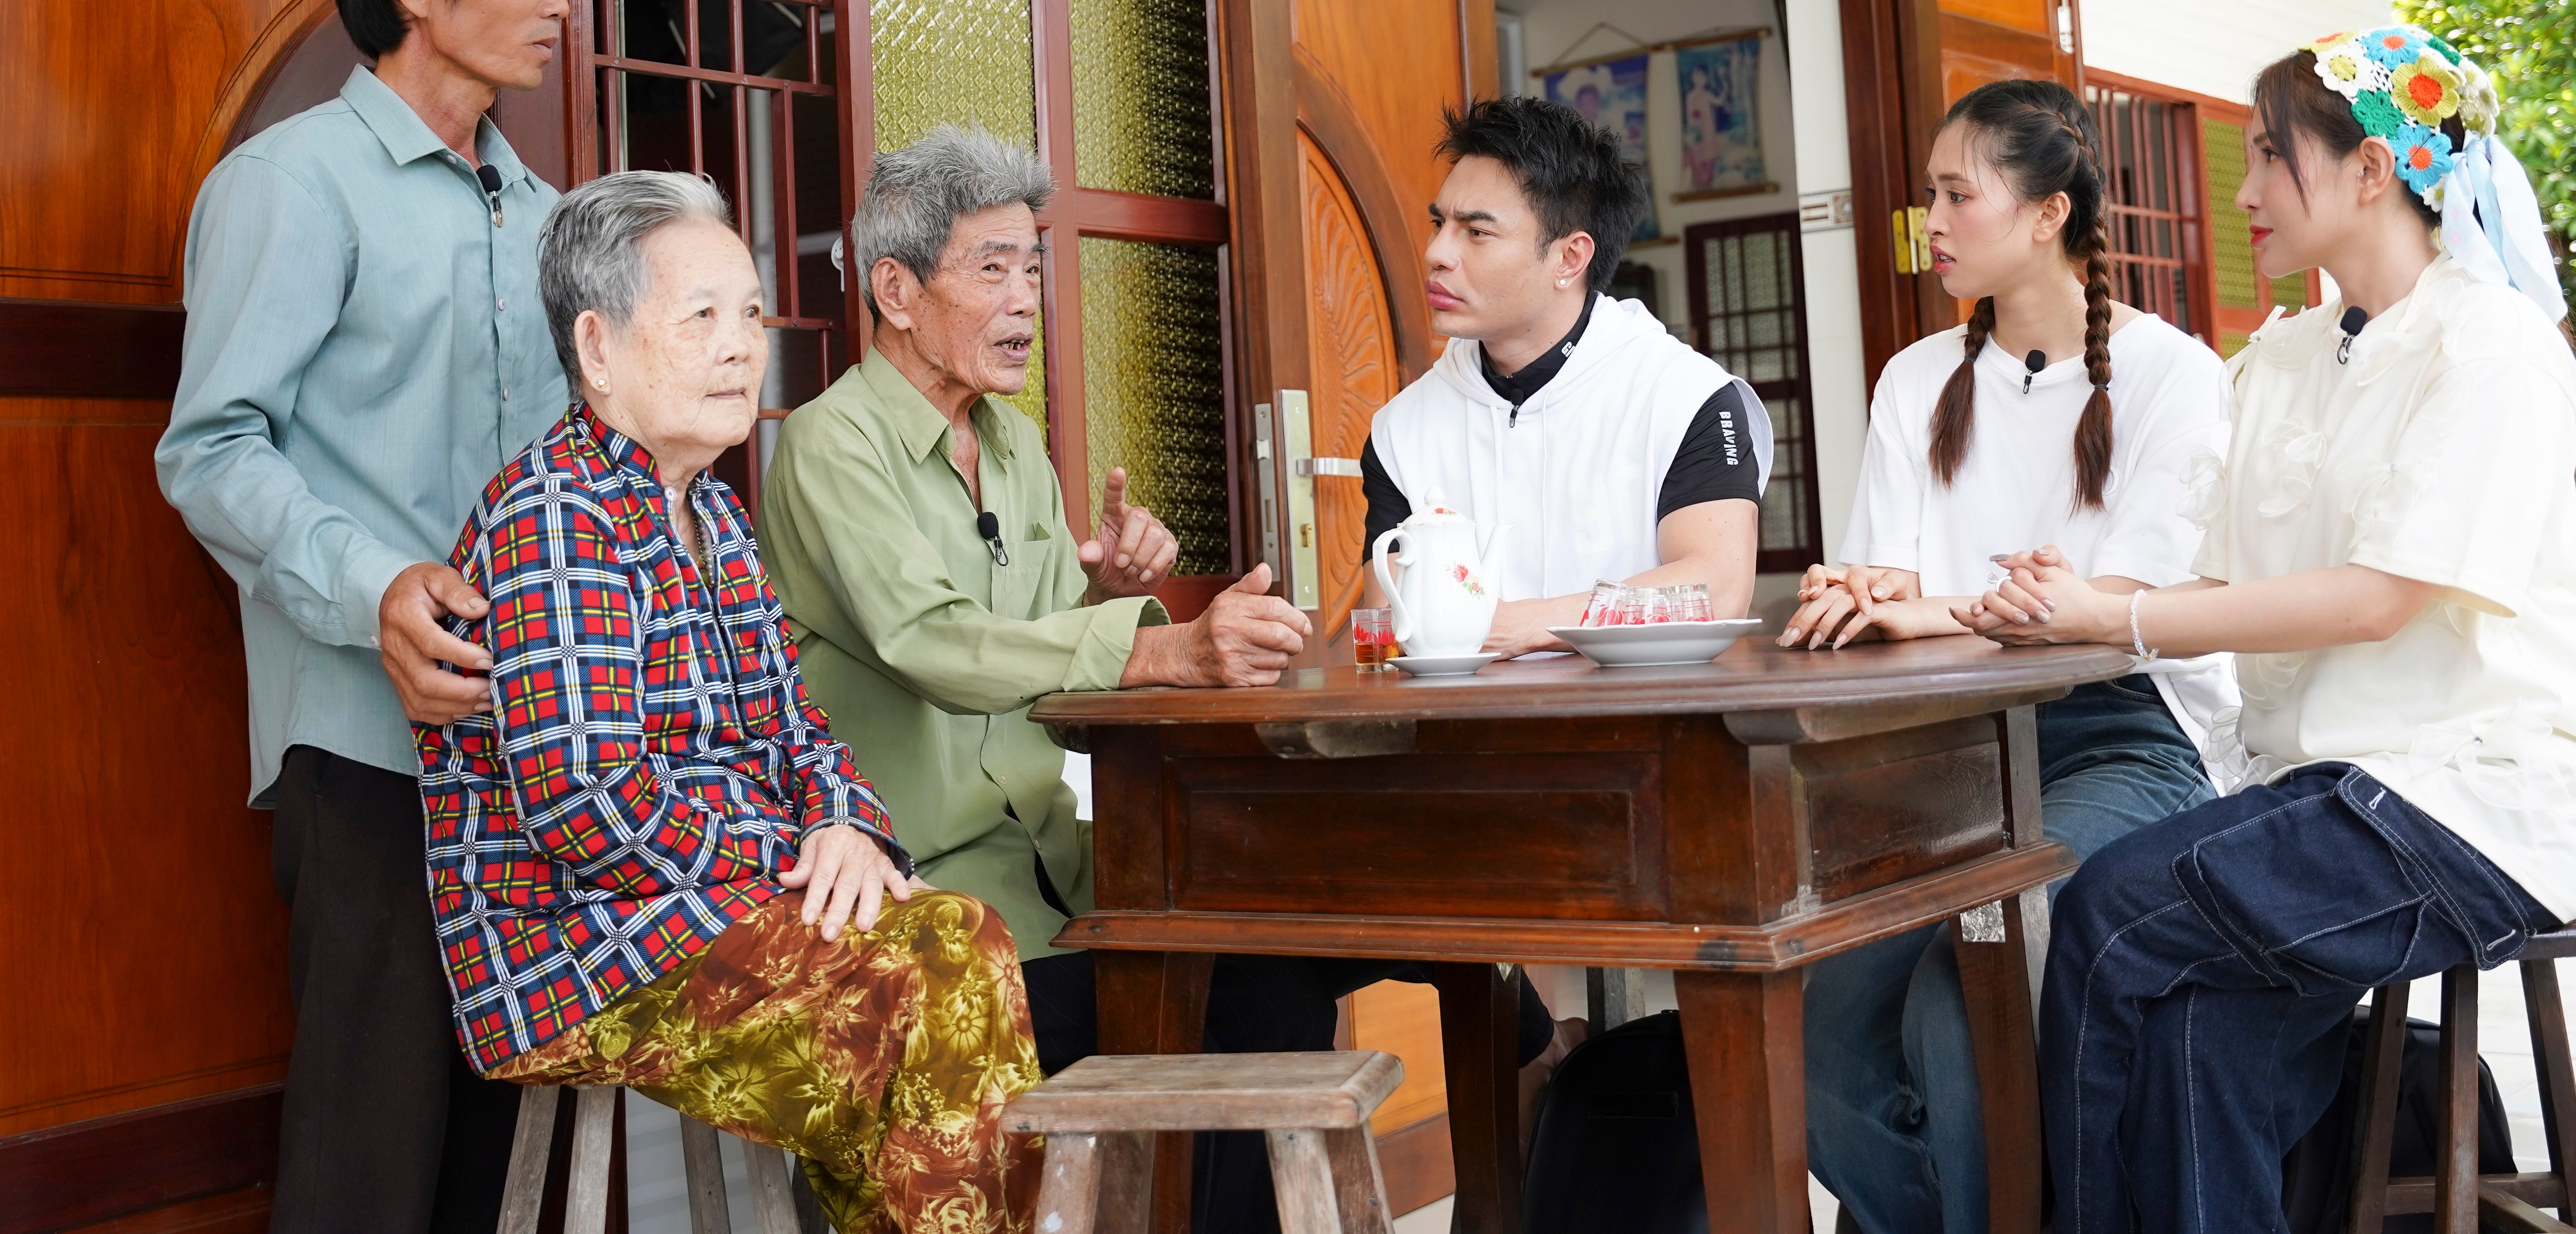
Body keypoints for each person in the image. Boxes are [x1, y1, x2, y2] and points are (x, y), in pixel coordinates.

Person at [756, 126, 1559, 1234]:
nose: (1026, 297)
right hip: (946, 912)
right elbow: (934, 644)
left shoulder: (1016, 444)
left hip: (1082, 885)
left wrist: (1103, 593)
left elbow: (1039, 665)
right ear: (896, 289)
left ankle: (1492, 1060)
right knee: (1238, 1004)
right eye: (991, 266)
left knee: (1296, 962)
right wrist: (1160, 644)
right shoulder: (827, 445)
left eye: (1032, 264)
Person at [1965, 27, 2576, 1233]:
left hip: (2470, 796)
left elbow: (2378, 598)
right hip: (2317, 789)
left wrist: (2130, 612)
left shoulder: (2492, 347)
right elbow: (2207, 577)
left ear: (2372, 170)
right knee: (2191, 1030)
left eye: (2272, 153)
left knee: (2107, 906)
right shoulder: (2282, 358)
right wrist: (2063, 595)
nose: (2247, 185)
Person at [417, 170, 1039, 1232]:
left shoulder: (713, 514)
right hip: (576, 947)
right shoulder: (557, 516)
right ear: (598, 349)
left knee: (959, 948)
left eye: (748, 314)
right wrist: (795, 860)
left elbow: (799, 734)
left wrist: (845, 826)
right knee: (938, 970)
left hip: (703, 906)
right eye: (700, 316)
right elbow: (585, 802)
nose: (740, 345)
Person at [155, 0, 572, 1234]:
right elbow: (209, 449)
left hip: (538, 745)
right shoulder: (293, 184)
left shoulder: (555, 220)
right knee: (368, 1152)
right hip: (365, 742)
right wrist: (375, 582)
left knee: (499, 1144)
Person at [1779, 80, 2235, 1234]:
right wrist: (1861, 591)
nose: (1927, 220)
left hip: (2130, 736)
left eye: (1954, 193)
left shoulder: (2175, 373)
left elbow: (2115, 608)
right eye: (1926, 192)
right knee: (1822, 1023)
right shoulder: (1915, 378)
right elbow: (1886, 582)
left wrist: (1931, 608)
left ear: (2047, 215)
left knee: (1957, 985)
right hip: (1947, 752)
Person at [1359, 98, 1770, 651]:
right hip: (1460, 729)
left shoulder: (1685, 396)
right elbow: (1387, 619)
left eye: (1476, 232)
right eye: (1439, 223)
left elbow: (1716, 588)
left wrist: (1528, 627)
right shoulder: (1402, 428)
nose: (1437, 252)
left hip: (1647, 722)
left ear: (1570, 258)